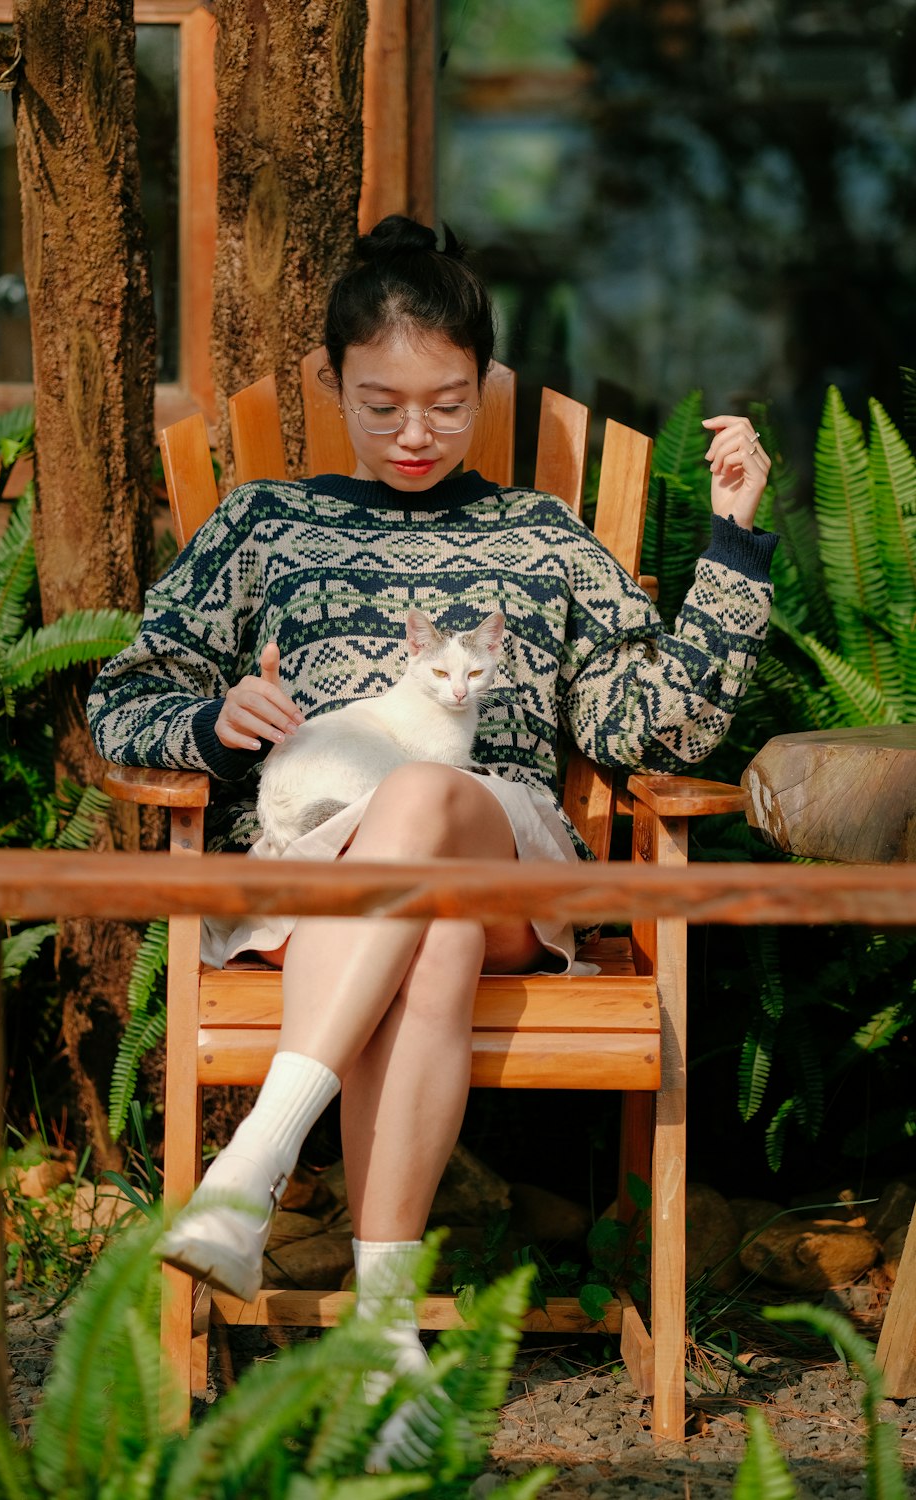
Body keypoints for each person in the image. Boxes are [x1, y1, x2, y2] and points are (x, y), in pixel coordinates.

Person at [87, 214, 775, 1459]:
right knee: (431, 936)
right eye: (384, 404)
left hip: (503, 850)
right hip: (330, 885)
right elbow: (120, 698)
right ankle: (384, 1336)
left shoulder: (543, 540)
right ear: (330, 384)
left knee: (420, 803)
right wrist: (210, 712)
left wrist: (730, 546)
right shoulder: (260, 526)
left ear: (486, 389)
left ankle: (251, 1161)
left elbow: (657, 733)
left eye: (448, 406)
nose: (417, 435)